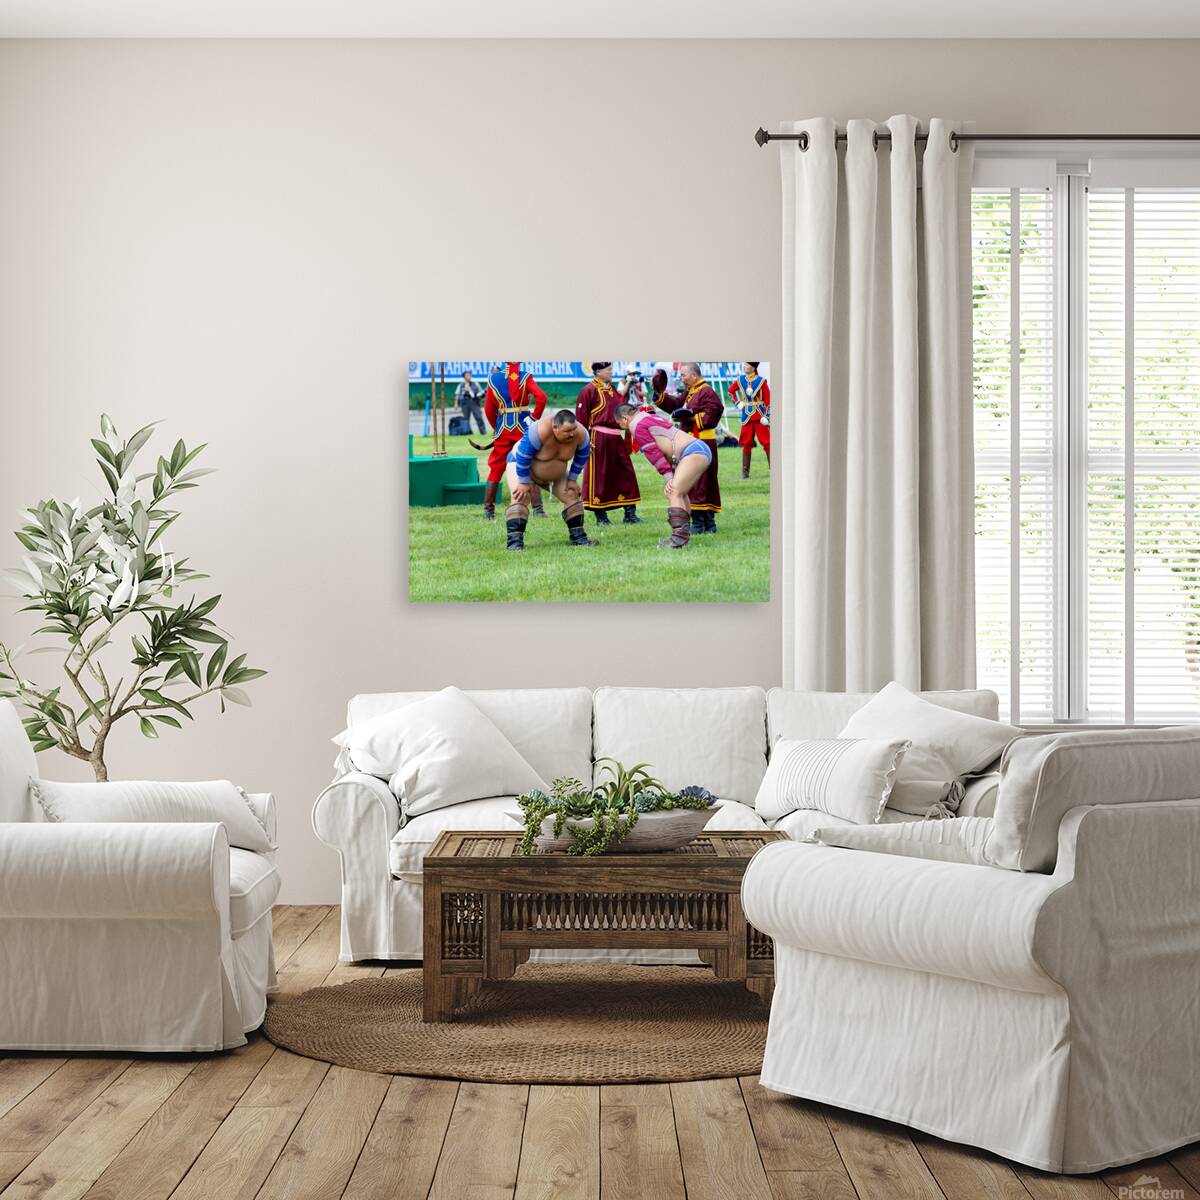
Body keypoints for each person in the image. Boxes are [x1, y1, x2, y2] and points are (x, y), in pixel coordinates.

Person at [614, 402, 712, 549]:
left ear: (625, 418)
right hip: (696, 449)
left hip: (692, 452)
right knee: (681, 493)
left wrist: (668, 477)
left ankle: (678, 539)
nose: (623, 428)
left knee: (674, 492)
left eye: (620, 424)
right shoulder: (646, 416)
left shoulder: (636, 425)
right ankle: (682, 536)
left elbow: (652, 452)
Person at [503, 409, 596, 552]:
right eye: (567, 431)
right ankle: (515, 544)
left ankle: (578, 539)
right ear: (555, 428)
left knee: (571, 495)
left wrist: (572, 479)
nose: (572, 434)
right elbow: (522, 455)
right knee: (520, 497)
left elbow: (582, 456)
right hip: (521, 467)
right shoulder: (539, 430)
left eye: (573, 429)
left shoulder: (581, 434)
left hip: (555, 475)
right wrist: (523, 481)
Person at [655, 362, 722, 534]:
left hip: (703, 441)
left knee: (702, 481)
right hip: (691, 441)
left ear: (694, 375)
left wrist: (691, 417)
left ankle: (704, 522)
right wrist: (659, 395)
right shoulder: (691, 391)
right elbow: (676, 404)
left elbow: (715, 411)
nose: (681, 378)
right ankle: (703, 522)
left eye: (683, 375)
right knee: (695, 481)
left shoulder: (706, 391)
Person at [575, 362, 642, 526]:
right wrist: (584, 442)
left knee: (626, 473)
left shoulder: (611, 389)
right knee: (600, 477)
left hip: (616, 438)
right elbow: (581, 420)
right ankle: (601, 516)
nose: (612, 372)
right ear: (598, 372)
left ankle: (630, 513)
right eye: (609, 370)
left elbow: (621, 407)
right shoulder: (588, 391)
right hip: (598, 439)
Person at [479, 361, 548, 520]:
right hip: (523, 427)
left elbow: (489, 410)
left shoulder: (493, 378)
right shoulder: (524, 376)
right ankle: (538, 509)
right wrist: (533, 418)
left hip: (503, 427)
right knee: (530, 463)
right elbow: (541, 398)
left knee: (496, 467)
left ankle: (488, 511)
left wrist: (497, 427)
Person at [728, 361, 770, 479]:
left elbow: (768, 400)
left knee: (767, 443)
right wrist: (737, 402)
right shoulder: (740, 380)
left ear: (753, 367)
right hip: (746, 415)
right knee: (746, 443)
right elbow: (730, 391)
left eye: (747, 365)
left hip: (760, 416)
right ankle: (745, 473)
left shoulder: (761, 381)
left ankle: (773, 469)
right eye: (744, 364)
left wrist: (766, 416)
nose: (744, 366)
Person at [455, 369, 487, 436]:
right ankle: (467, 431)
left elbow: (480, 392)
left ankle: (483, 431)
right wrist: (456, 404)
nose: (468, 376)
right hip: (465, 403)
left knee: (479, 417)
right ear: (464, 377)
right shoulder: (461, 385)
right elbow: (457, 394)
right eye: (467, 375)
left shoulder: (475, 383)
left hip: (474, 402)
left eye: (469, 375)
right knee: (466, 418)